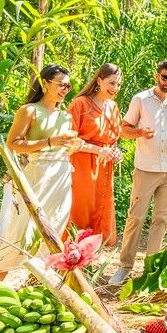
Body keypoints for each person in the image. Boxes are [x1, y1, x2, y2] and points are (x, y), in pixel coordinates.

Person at [0, 64, 81, 282]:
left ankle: (39, 284)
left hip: (61, 176)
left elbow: (64, 147)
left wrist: (72, 146)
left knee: (55, 226)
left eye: (68, 86)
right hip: (38, 174)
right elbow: (13, 144)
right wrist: (50, 142)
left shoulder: (65, 116)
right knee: (21, 228)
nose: (64, 89)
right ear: (45, 83)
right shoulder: (29, 111)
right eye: (60, 85)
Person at [108, 60, 167, 285]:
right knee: (136, 217)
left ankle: (151, 268)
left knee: (161, 220)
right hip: (145, 168)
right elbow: (124, 130)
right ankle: (124, 267)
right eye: (165, 77)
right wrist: (140, 132)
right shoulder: (140, 100)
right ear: (157, 76)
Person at [68, 63, 125, 248]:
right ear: (99, 80)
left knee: (100, 209)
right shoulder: (80, 103)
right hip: (82, 164)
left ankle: (89, 261)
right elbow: (70, 140)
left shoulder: (113, 107)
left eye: (118, 84)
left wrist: (116, 152)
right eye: (112, 83)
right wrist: (98, 150)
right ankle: (71, 256)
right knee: (81, 210)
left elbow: (113, 139)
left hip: (104, 167)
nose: (115, 88)